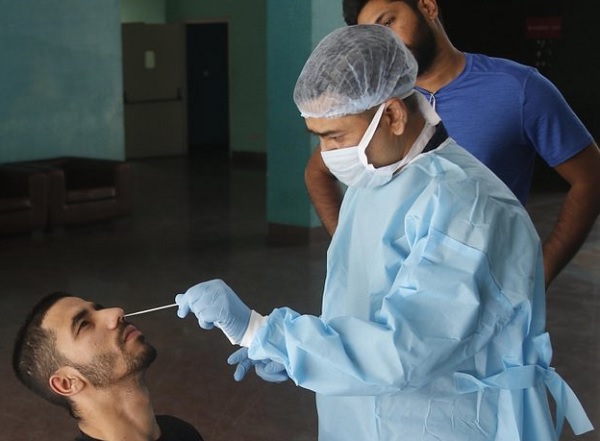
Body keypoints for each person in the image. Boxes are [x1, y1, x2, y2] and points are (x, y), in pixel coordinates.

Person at [175, 25, 593, 441]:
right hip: (369, 413)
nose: (329, 154)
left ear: (392, 115)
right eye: (319, 138)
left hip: (451, 423)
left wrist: (262, 332)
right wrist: (303, 354)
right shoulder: (377, 180)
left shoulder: (467, 206)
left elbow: (406, 348)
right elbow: (362, 308)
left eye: (336, 137)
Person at [304, 0, 600, 288]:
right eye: (373, 36)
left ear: (427, 6)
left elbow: (591, 176)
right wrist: (350, 247)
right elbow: (318, 171)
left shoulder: (517, 88)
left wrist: (543, 269)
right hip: (393, 295)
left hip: (484, 291)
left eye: (388, 22)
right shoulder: (377, 104)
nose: (386, 44)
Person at [12, 292, 204, 441]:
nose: (116, 312)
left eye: (99, 309)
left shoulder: (182, 432)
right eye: (84, 324)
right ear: (67, 383)